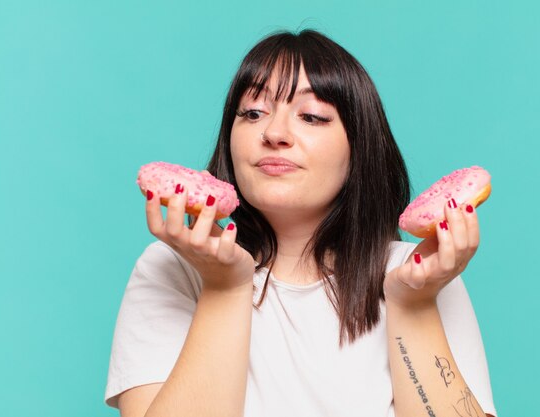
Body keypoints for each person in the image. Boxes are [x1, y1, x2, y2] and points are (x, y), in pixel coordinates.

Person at [105, 29, 497, 417]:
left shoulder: (419, 273)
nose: (274, 133)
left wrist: (414, 306)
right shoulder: (171, 267)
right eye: (253, 113)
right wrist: (225, 288)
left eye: (311, 116)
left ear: (358, 148)